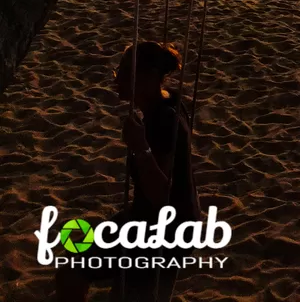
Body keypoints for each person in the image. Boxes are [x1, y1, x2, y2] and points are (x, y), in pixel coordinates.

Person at [55, 41, 200, 302]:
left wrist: (140, 147)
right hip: (151, 220)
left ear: (148, 78)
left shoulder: (164, 120)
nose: (116, 80)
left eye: (123, 73)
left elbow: (160, 196)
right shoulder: (170, 101)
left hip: (164, 231)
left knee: (73, 271)